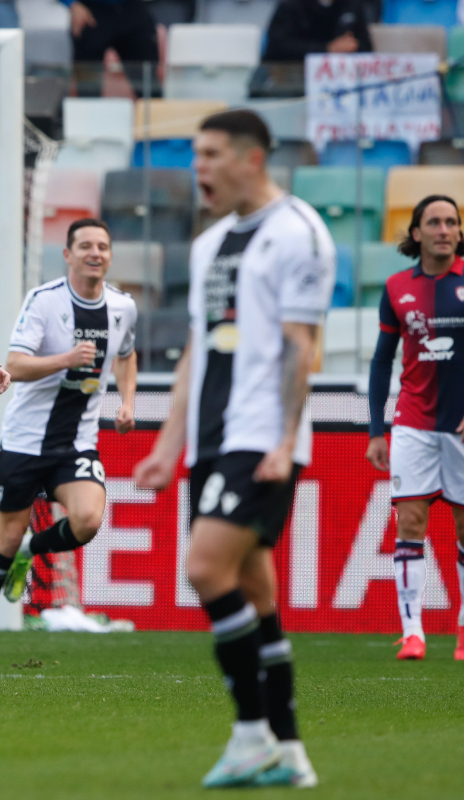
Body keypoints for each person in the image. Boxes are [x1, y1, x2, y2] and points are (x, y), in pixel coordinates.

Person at [133, 110, 334, 788]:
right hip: (211, 442)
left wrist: (284, 441)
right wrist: (168, 443)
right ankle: (292, 752)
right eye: (196, 154)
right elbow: (198, 347)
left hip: (260, 439)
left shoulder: (299, 233)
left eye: (212, 154)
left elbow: (303, 347)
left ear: (252, 159)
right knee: (254, 588)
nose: (201, 166)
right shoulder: (210, 241)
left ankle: (250, 735)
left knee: (203, 568)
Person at [0, 217, 137, 658]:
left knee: (88, 521)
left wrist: (127, 401)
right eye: (86, 246)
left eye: (103, 245)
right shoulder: (43, 301)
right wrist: (66, 358)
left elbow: (127, 357)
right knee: (3, 536)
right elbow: (14, 366)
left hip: (77, 442)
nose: (96, 253)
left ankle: (31, 550)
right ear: (68, 254)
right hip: (24, 440)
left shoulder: (123, 307)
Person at [365, 196, 464, 663]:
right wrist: (378, 429)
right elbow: (380, 361)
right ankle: (412, 632)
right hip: (413, 423)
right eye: (433, 222)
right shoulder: (396, 287)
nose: (443, 229)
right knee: (410, 522)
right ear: (416, 233)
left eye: (451, 222)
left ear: (459, 232)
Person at [263, 0, 372, 62]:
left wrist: (352, 45)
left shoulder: (352, 5)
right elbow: (277, 47)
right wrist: (327, 49)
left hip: (341, 80)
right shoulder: (290, 5)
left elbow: (366, 47)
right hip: (291, 80)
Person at [62, 0, 159, 66]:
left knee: (148, 80)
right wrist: (72, 4)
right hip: (89, 11)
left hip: (132, 8)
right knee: (87, 83)